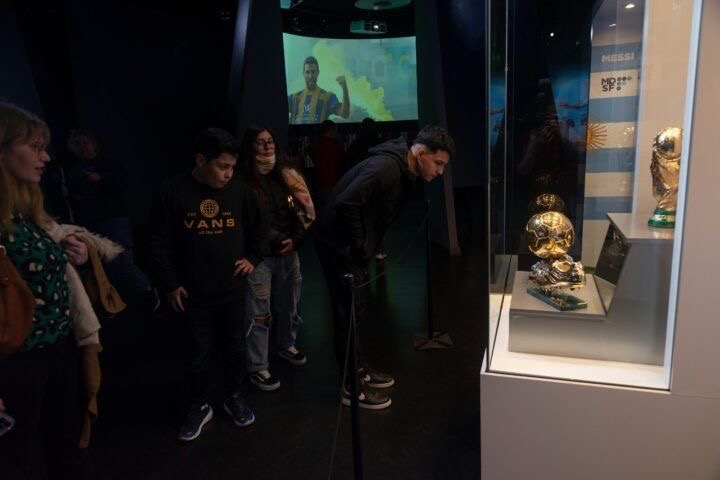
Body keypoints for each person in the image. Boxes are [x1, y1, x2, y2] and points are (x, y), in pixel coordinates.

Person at [313, 125, 455, 410]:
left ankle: (359, 370)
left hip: (346, 247)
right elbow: (347, 202)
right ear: (420, 153)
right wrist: (361, 245)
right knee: (347, 314)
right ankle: (351, 387)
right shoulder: (387, 167)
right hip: (338, 247)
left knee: (356, 311)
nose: (440, 171)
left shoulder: (402, 167)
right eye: (438, 163)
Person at [148, 128, 265, 441]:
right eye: (223, 167)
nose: (228, 174)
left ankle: (234, 396)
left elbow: (262, 228)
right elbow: (157, 243)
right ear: (201, 160)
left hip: (231, 289)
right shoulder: (171, 191)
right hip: (191, 292)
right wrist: (169, 284)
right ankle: (199, 405)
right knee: (197, 351)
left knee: (235, 347)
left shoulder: (239, 192)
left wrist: (253, 257)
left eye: (232, 167)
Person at [0, 102, 94, 478]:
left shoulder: (24, 211)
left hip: (56, 349)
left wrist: (75, 254)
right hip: (15, 362)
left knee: (65, 448)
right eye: (36, 147)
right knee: (13, 459)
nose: (46, 157)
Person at [239, 126, 314, 391]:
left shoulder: (287, 175)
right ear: (250, 147)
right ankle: (258, 365)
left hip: (289, 252)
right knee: (259, 311)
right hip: (260, 257)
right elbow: (248, 222)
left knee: (289, 303)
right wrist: (275, 240)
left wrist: (295, 239)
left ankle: (286, 344)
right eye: (261, 142)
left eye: (270, 141)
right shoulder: (242, 181)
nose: (267, 146)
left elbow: (303, 214)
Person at [66, 129, 158, 311]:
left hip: (113, 220)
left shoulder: (108, 163)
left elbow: (121, 185)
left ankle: (146, 290)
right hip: (88, 223)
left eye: (85, 142)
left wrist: (100, 179)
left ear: (93, 144)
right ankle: (115, 304)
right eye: (78, 144)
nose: (82, 147)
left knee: (122, 261)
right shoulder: (73, 170)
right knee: (101, 267)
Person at [288, 56, 350, 124]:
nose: (310, 76)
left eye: (313, 72)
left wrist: (345, 88)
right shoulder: (293, 98)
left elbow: (345, 114)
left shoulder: (328, 96)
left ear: (318, 72)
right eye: (307, 72)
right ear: (303, 73)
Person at [309, 120, 344, 212]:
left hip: (318, 184)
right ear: (331, 130)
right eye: (335, 130)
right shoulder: (336, 146)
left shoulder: (316, 145)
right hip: (333, 184)